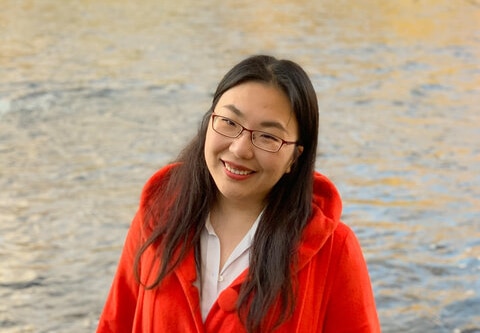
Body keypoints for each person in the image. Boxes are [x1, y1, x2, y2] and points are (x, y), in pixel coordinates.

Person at [96, 55, 380, 332]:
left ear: (295, 157)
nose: (240, 149)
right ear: (209, 121)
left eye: (268, 136)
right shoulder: (158, 218)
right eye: (229, 122)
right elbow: (115, 324)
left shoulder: (334, 250)